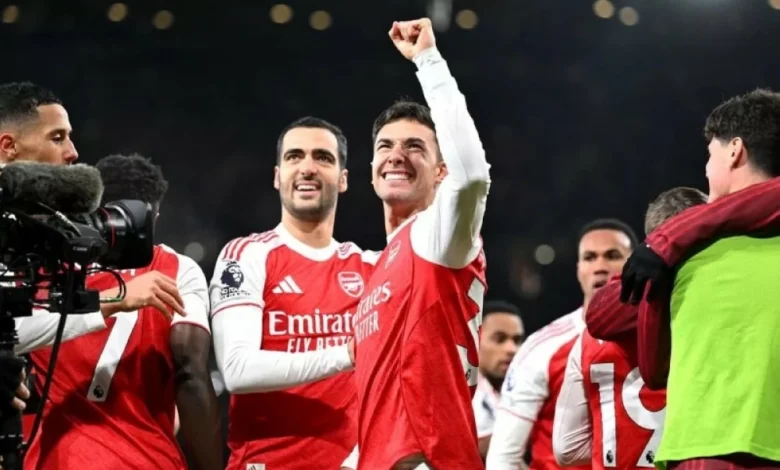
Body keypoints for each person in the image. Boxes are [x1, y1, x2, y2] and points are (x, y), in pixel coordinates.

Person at [342, 18, 490, 470]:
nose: (396, 155)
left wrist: (428, 61)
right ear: (371, 171)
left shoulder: (438, 237)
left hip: (430, 458)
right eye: (385, 146)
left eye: (414, 147)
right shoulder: (381, 268)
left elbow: (473, 177)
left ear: (441, 172)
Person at [618, 89, 780, 470]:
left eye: (710, 154)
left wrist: (670, 237)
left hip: (706, 445)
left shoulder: (684, 249)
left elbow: (648, 363)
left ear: (734, 150)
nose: (706, 170)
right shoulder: (679, 246)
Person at [25, 154, 218, 470]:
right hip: (146, 460)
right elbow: (191, 374)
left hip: (58, 459)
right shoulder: (176, 270)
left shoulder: (44, 271)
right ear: (153, 217)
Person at [209, 117, 377, 470]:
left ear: (343, 179)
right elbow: (237, 370)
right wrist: (345, 354)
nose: (307, 167)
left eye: (323, 158)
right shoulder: (244, 255)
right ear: (277, 176)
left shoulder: (368, 266)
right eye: (294, 156)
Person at [551, 187, 707, 469]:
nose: (600, 266)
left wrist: (617, 446)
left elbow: (567, 449)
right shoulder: (712, 319)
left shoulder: (586, 338)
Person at [487, 218, 636, 470]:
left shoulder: (665, 338)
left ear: (634, 266)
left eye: (612, 256)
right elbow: (503, 457)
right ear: (578, 269)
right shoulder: (542, 348)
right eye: (590, 257)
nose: (600, 267)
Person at [474, 300, 525, 461]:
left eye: (517, 340)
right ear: (474, 339)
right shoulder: (459, 389)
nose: (511, 349)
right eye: (499, 339)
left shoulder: (512, 389)